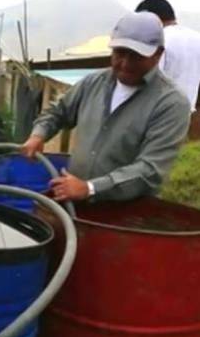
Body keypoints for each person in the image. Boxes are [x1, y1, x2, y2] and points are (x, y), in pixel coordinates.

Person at [21, 12, 190, 202]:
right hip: (73, 201)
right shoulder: (94, 82)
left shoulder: (171, 103)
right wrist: (39, 134)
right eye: (119, 53)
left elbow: (150, 169)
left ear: (158, 54)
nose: (125, 63)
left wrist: (90, 188)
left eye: (135, 56)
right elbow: (58, 111)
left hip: (126, 215)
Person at [136, 0, 200, 111]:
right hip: (187, 113)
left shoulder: (158, 39)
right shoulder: (197, 38)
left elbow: (149, 80)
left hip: (159, 115)